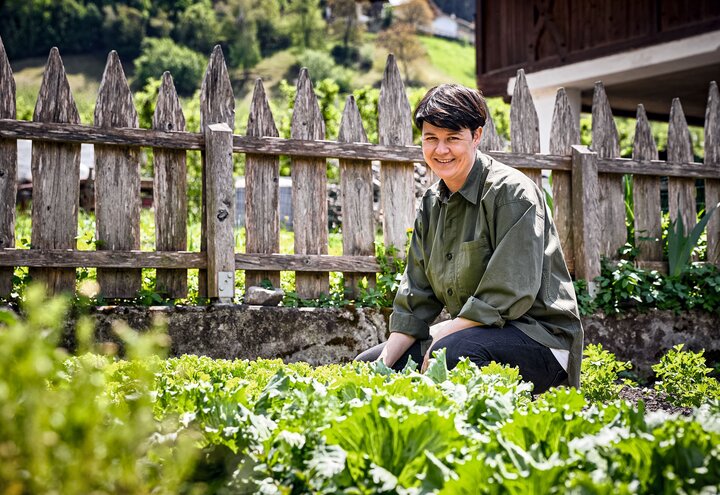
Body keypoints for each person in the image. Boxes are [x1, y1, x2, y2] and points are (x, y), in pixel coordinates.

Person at [356, 84, 583, 393]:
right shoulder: (431, 203)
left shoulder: (512, 194)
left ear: (476, 136)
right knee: (369, 366)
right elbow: (416, 298)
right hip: (475, 333)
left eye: (452, 138)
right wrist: (384, 361)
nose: (440, 150)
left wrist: (443, 336)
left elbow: (510, 293)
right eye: (431, 139)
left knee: (451, 354)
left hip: (540, 339)